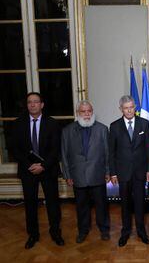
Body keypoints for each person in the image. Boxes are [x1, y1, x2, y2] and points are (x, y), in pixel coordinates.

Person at [11, 92, 64, 249]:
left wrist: (43, 166)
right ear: (26, 105)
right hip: (28, 171)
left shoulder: (53, 124)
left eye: (36, 102)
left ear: (42, 105)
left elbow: (56, 149)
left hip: (48, 169)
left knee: (53, 204)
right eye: (29, 102)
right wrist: (30, 165)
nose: (32, 104)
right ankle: (33, 235)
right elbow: (15, 148)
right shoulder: (17, 124)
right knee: (30, 204)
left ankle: (56, 233)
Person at [61, 100, 111, 243]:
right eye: (83, 111)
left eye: (89, 111)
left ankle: (104, 230)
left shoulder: (102, 129)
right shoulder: (67, 131)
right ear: (78, 113)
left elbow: (107, 153)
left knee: (101, 205)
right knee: (81, 206)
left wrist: (107, 171)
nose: (87, 114)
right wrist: (67, 175)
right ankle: (83, 230)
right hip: (78, 176)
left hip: (97, 173)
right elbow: (64, 155)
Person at [109, 95, 149, 247]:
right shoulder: (114, 126)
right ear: (121, 109)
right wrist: (113, 173)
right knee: (125, 204)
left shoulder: (144, 124)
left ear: (135, 107)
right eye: (126, 108)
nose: (129, 110)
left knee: (140, 203)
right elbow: (112, 152)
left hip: (140, 171)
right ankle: (125, 232)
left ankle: (142, 232)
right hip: (123, 173)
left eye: (131, 107)